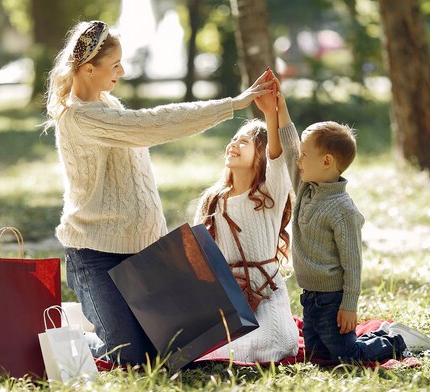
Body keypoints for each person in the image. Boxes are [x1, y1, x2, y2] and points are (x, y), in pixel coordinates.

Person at [42, 20, 274, 366]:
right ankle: (72, 334)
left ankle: (95, 317)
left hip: (143, 252)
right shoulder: (79, 118)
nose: (123, 70)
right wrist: (231, 106)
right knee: (129, 359)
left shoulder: (108, 104)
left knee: (170, 352)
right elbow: (153, 123)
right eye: (115, 64)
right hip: (96, 253)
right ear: (88, 69)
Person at [272, 77, 430, 362]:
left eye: (305, 155)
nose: (299, 160)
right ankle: (374, 338)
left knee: (349, 355)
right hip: (310, 297)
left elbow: (353, 262)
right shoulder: (306, 188)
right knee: (317, 355)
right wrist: (279, 107)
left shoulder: (343, 209)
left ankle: (395, 340)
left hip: (333, 298)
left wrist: (349, 306)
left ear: (327, 162)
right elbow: (289, 149)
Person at [194, 70, 299, 363]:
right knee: (183, 343)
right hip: (225, 302)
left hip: (265, 297)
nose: (234, 144)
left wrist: (274, 111)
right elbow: (198, 259)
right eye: (234, 139)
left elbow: (286, 153)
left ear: (262, 156)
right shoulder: (212, 200)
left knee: (276, 343)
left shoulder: (270, 192)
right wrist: (221, 284)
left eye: (245, 142)